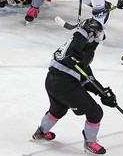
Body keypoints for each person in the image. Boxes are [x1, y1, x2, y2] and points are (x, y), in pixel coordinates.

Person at [31, 18, 117, 155]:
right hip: (64, 84)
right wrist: (101, 92)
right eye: (97, 33)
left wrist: (103, 92)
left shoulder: (76, 46)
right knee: (95, 112)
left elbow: (86, 76)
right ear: (90, 34)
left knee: (57, 110)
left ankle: (41, 132)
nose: (99, 38)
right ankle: (90, 143)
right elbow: (84, 75)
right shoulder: (80, 44)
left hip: (52, 81)